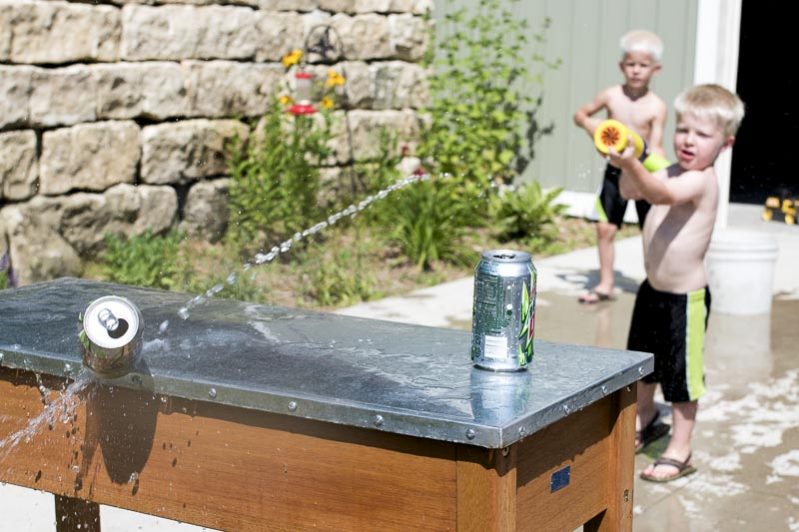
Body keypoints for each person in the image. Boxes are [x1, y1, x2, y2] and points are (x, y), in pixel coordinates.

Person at [610, 83, 745, 482]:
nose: (689, 140)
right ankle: (647, 417)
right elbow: (630, 189)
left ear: (725, 144)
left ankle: (680, 448)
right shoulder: (669, 169)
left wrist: (635, 164)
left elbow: (663, 194)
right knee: (643, 365)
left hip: (686, 300)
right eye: (684, 129)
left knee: (682, 378)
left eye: (703, 135)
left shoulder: (700, 180)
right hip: (653, 290)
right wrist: (626, 164)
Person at [574, 29, 667, 304]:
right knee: (605, 228)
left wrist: (658, 175)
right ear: (621, 66)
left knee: (651, 229)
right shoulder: (611, 96)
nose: (636, 70)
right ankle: (605, 283)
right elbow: (580, 115)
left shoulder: (657, 106)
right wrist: (594, 128)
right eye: (631, 64)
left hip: (642, 173)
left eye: (643, 65)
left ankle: (655, 283)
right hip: (615, 171)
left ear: (656, 69)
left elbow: (658, 145)